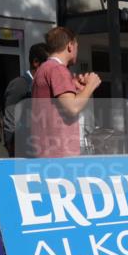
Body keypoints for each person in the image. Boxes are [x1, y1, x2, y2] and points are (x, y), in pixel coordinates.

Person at [31, 26, 101, 158]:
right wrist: (91, 84)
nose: (77, 50)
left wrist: (79, 89)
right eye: (77, 46)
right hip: (60, 153)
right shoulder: (58, 69)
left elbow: (57, 105)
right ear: (70, 46)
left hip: (45, 150)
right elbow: (72, 107)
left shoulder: (43, 69)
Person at [2, 42, 46, 156]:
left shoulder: (42, 85)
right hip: (23, 152)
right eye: (49, 65)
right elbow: (10, 121)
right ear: (36, 62)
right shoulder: (20, 84)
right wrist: (13, 151)